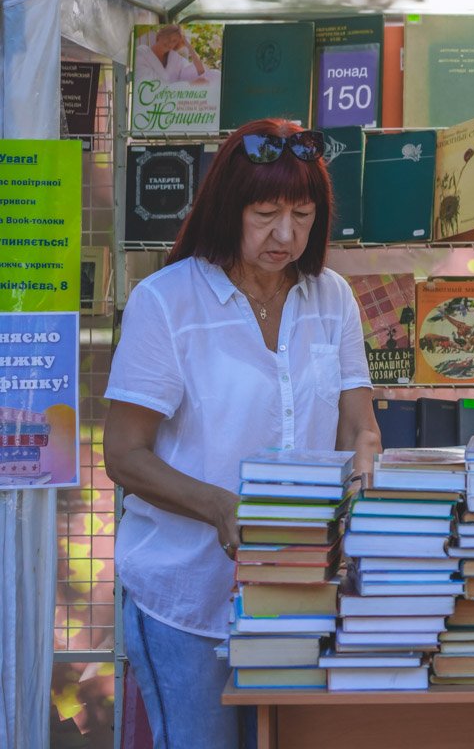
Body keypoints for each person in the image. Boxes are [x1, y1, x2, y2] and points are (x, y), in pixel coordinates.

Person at [103, 119, 381, 748]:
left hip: (298, 592)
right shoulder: (166, 302)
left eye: (303, 215)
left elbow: (360, 427)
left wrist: (366, 509)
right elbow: (122, 454)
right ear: (229, 208)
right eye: (266, 214)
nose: (286, 235)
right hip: (185, 600)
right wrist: (219, 507)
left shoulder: (331, 298)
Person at [134, 24, 207, 84]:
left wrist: (189, 46)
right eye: (168, 37)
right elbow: (144, 81)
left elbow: (201, 72)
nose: (170, 42)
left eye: (174, 41)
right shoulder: (142, 53)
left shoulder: (175, 59)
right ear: (160, 35)